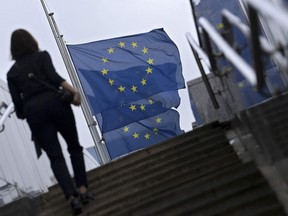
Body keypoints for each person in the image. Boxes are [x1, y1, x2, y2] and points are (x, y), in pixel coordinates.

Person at [7, 29, 92, 215]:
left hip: (34, 112)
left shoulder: (12, 73)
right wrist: (74, 92)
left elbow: (17, 104)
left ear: (12, 48)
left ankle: (71, 198)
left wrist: (25, 113)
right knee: (74, 148)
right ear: (31, 41)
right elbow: (55, 78)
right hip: (56, 103)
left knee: (55, 156)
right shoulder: (42, 56)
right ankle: (83, 190)